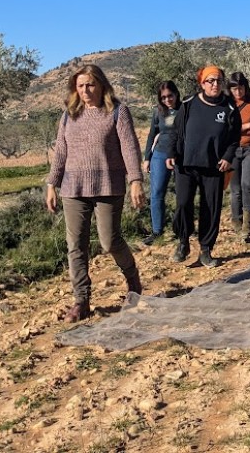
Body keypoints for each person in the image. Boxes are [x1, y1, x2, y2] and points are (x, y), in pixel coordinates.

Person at [45, 65, 144, 323]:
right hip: (73, 188)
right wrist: (51, 185)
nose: (85, 90)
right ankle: (82, 300)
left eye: (90, 85)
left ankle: (133, 279)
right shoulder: (69, 115)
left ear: (101, 85)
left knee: (109, 241)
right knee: (75, 245)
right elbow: (61, 153)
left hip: (108, 186)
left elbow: (130, 148)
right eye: (80, 86)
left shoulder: (117, 112)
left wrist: (135, 180)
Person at [169, 65, 240, 268]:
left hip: (214, 166)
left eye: (218, 80)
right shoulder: (189, 104)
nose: (215, 84)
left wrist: (228, 157)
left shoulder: (230, 107)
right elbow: (176, 131)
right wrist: (171, 153)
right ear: (202, 83)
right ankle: (183, 242)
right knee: (183, 203)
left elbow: (235, 138)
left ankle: (206, 250)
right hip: (186, 164)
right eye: (210, 81)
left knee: (211, 208)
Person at [141, 80, 180, 246]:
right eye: (163, 97)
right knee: (156, 193)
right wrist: (147, 158)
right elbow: (152, 134)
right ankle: (157, 231)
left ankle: (181, 228)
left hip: (181, 156)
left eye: (170, 96)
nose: (167, 100)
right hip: (160, 154)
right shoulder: (159, 112)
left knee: (182, 193)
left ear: (176, 94)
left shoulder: (184, 109)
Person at [228, 71, 250, 243]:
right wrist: (248, 125)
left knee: (247, 185)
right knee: (235, 190)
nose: (237, 91)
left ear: (245, 87)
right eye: (234, 88)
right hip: (232, 150)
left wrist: (238, 128)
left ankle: (247, 228)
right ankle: (237, 223)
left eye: (240, 87)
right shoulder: (226, 105)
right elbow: (227, 129)